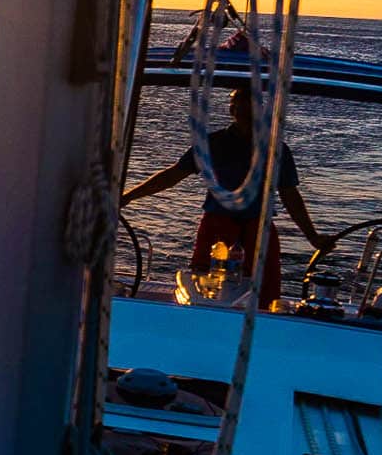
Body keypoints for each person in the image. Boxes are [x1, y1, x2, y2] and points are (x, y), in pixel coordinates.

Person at [122, 85, 333, 307]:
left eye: (247, 107)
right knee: (206, 295)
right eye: (236, 105)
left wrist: (312, 236)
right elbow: (173, 175)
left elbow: (291, 196)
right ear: (231, 111)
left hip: (258, 232)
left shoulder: (276, 150)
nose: (241, 111)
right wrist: (127, 196)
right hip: (217, 232)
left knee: (265, 300)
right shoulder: (212, 143)